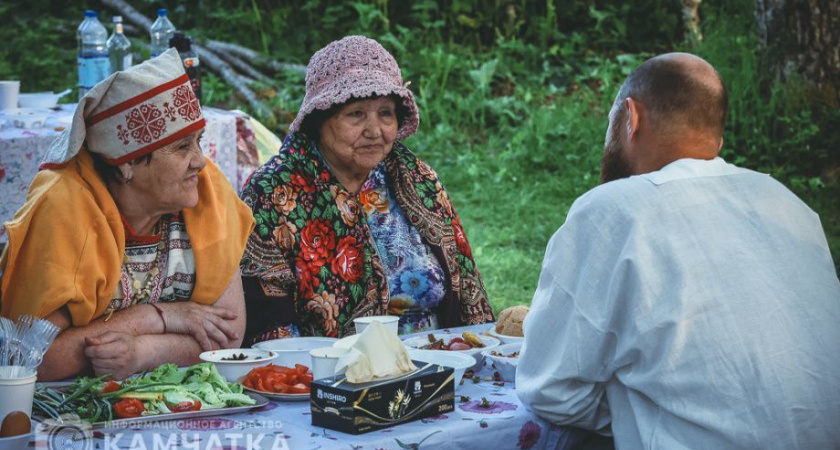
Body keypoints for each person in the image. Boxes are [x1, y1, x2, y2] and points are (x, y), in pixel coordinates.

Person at [516, 52, 840, 449]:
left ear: (630, 118)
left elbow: (548, 388)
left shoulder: (611, 210)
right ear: (716, 140)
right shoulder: (788, 203)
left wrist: (638, 414)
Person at [0, 49, 255, 381]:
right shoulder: (65, 208)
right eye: (181, 147)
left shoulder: (206, 193)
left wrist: (142, 352)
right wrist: (159, 318)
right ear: (126, 163)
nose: (200, 162)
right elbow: (34, 358)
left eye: (198, 142)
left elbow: (229, 337)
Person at [240, 36, 493, 342]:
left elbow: (468, 290)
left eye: (385, 113)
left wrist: (478, 352)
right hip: (328, 374)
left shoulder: (417, 179)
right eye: (356, 114)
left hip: (436, 363)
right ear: (320, 119)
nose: (375, 131)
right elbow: (269, 324)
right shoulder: (274, 193)